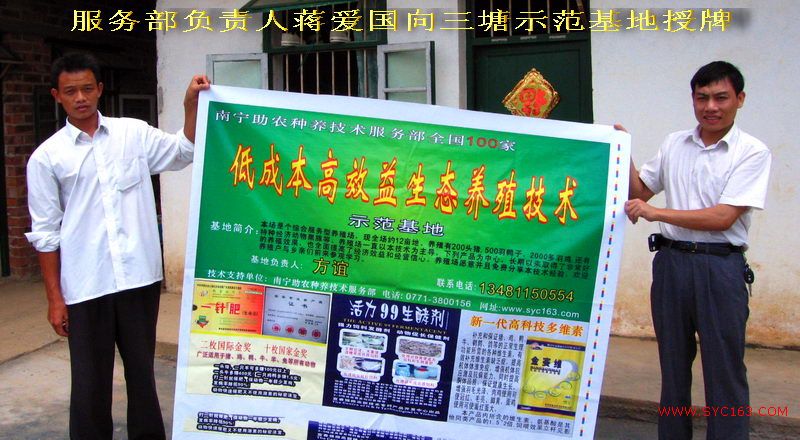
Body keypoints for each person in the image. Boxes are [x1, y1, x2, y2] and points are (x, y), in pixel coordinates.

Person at [25, 52, 210, 439]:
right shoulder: (46, 158)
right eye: (70, 91)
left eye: (87, 89)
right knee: (89, 381)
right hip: (85, 284)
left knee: (142, 374)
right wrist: (55, 298)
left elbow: (184, 150)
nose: (80, 98)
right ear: (56, 95)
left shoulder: (133, 134)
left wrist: (190, 106)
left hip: (139, 279)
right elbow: (45, 233)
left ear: (100, 89)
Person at [622, 61, 771, 439]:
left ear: (740, 99)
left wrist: (657, 213)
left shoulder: (752, 152)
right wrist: (621, 152)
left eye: (721, 98)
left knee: (724, 372)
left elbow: (723, 217)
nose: (711, 107)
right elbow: (640, 192)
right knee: (672, 368)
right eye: (702, 98)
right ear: (693, 99)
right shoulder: (674, 144)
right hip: (670, 265)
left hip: (719, 267)